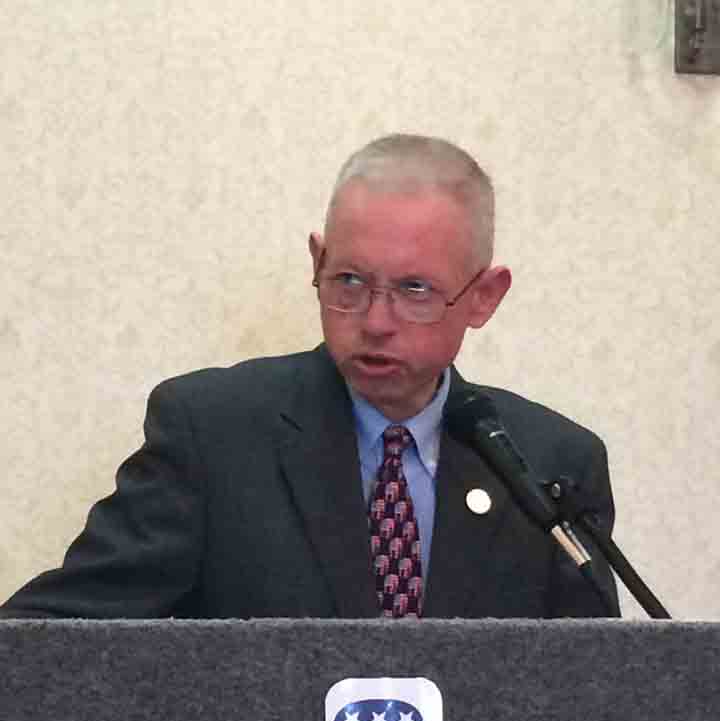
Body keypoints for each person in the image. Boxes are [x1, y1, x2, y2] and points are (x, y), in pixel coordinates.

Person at [0, 134, 620, 620]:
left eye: (414, 289)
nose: (376, 322)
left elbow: (593, 693)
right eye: (349, 281)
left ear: (484, 296)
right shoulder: (212, 435)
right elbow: (54, 639)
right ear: (317, 263)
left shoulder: (552, 464)